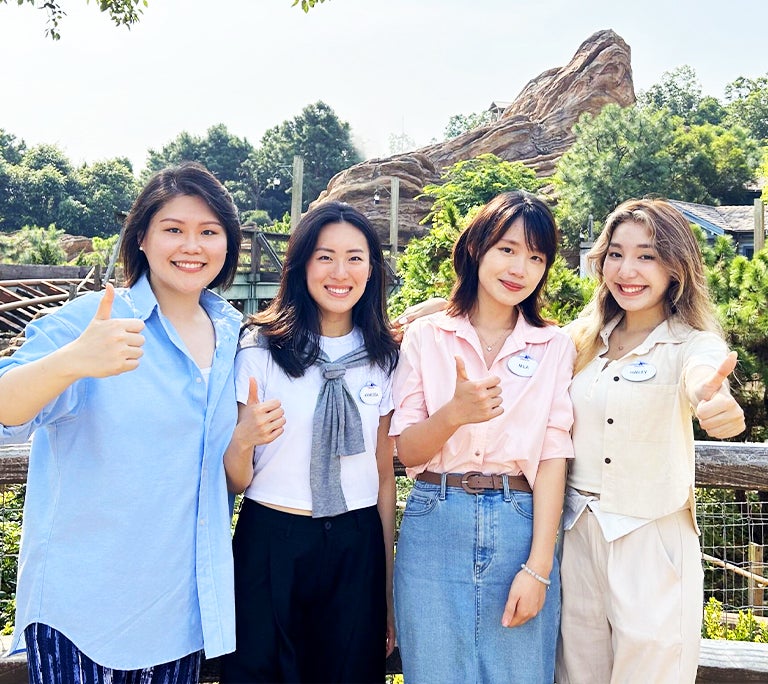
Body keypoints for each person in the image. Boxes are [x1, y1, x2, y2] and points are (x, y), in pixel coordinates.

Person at [0, 162, 243, 683]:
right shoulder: (93, 320)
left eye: (209, 232)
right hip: (88, 614)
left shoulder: (236, 334)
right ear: (142, 239)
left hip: (183, 614)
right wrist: (72, 360)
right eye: (173, 229)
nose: (191, 246)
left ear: (228, 244)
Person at [555, 198, 746, 683]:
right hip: (576, 536)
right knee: (576, 675)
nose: (628, 270)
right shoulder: (581, 340)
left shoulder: (692, 343)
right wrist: (444, 311)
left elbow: (706, 376)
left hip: (653, 539)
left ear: (676, 266)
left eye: (647, 255)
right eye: (616, 254)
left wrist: (711, 398)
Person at [390, 191, 575, 684]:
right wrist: (453, 415)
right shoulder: (426, 335)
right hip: (434, 518)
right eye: (507, 249)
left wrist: (539, 568)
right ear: (477, 248)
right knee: (433, 673)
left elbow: (554, 456)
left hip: (520, 521)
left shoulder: (554, 345)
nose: (520, 268)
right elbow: (405, 449)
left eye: (536, 257)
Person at [219, 201, 399, 683]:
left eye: (355, 258)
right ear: (301, 264)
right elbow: (238, 480)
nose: (340, 272)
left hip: (355, 542)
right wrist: (242, 440)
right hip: (271, 538)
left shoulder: (385, 357)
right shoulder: (259, 349)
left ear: (372, 269)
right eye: (325, 256)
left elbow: (384, 477)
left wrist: (385, 589)